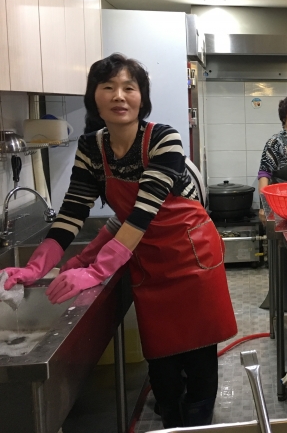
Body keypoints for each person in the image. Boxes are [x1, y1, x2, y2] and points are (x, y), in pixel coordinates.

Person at [3, 53, 237, 427]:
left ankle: (198, 421)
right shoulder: (91, 148)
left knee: (199, 359)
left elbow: (143, 211)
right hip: (148, 260)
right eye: (108, 87)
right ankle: (172, 420)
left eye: (129, 87)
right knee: (161, 364)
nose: (119, 96)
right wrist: (36, 266)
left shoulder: (163, 138)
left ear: (142, 97)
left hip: (191, 257)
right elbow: (72, 212)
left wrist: (95, 270)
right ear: (94, 97)